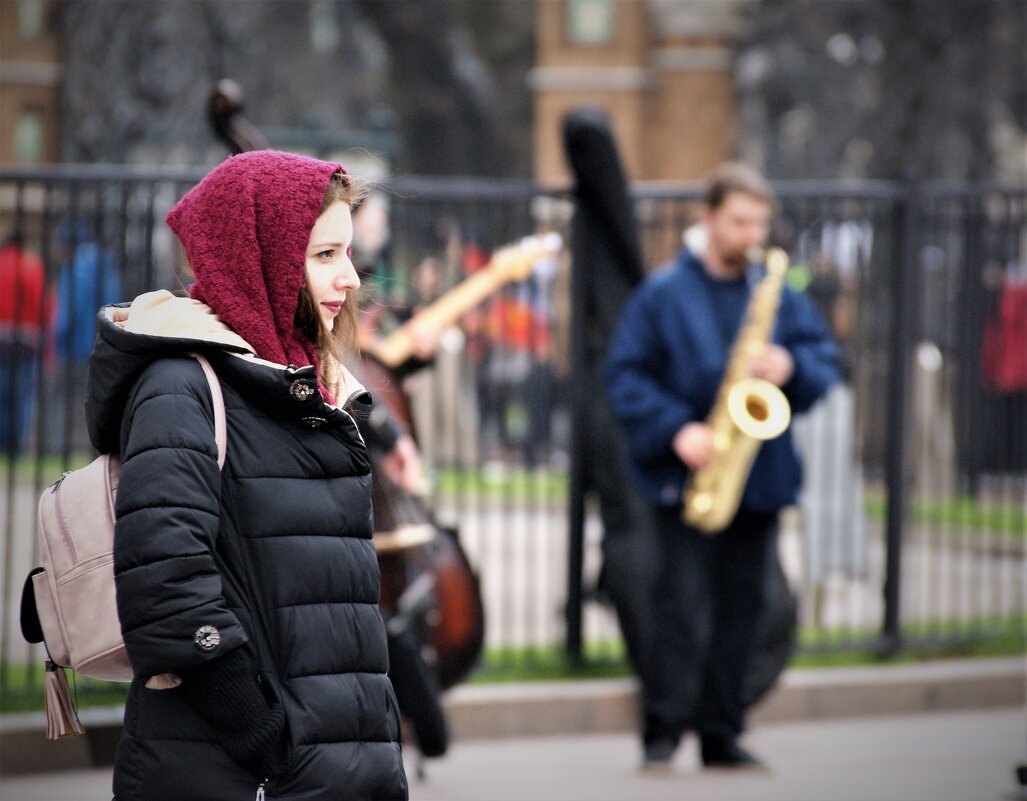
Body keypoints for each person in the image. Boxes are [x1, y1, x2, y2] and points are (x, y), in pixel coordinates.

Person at [85, 151, 409, 800]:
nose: (349, 276)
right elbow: (168, 590)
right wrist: (267, 738)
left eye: (346, 252)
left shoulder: (312, 388)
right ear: (255, 253)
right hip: (239, 771)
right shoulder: (181, 386)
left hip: (332, 768)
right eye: (324, 255)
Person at [604, 162, 840, 772]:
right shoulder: (662, 293)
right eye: (740, 220)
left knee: (744, 613)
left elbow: (823, 361)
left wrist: (792, 366)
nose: (752, 232)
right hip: (687, 477)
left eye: (760, 221)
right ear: (708, 218)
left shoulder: (776, 289)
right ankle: (662, 731)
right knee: (678, 609)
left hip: (758, 479)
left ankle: (721, 732)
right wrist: (675, 428)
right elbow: (624, 377)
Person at [0, 232, 52, 454]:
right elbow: (42, 306)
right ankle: (15, 445)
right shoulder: (32, 267)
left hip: (2, 336)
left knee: (2, 392)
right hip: (27, 339)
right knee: (21, 395)